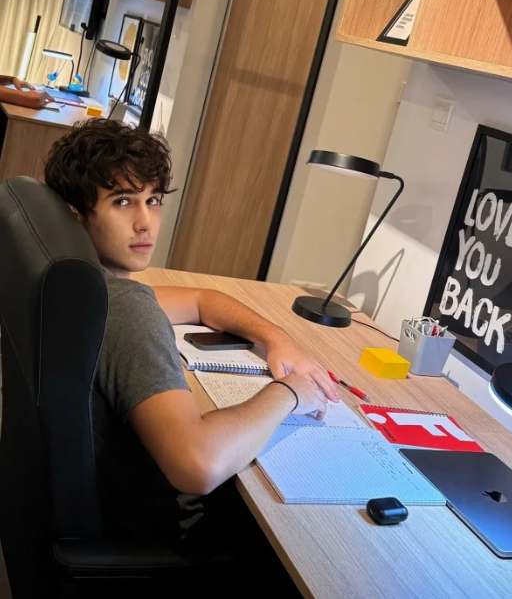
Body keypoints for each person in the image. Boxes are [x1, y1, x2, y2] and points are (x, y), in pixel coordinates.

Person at [43, 119, 341, 562]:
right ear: (77, 214)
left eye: (153, 200)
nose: (145, 223)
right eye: (122, 202)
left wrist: (278, 340)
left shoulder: (81, 284)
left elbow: (203, 300)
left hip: (92, 513)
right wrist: (290, 393)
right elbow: (198, 466)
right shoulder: (125, 309)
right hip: (165, 538)